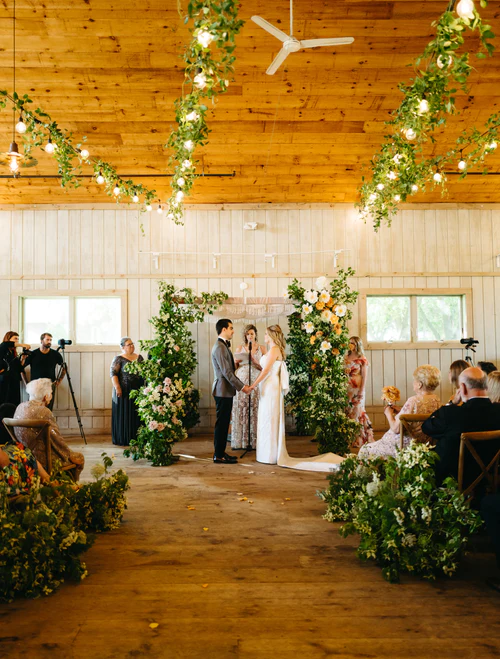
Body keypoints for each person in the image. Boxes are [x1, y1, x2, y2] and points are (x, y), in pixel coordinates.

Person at [249, 325, 343, 472]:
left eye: (266, 334)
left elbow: (267, 370)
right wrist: (254, 362)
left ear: (273, 336)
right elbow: (265, 367)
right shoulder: (271, 351)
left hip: (271, 387)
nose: (264, 337)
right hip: (267, 387)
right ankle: (265, 454)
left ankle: (270, 455)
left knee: (270, 418)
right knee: (266, 418)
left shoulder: (274, 350)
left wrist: (252, 385)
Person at [422, 366, 500, 488]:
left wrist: (451, 404)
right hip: (490, 478)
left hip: (452, 480)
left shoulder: (450, 414)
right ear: (486, 386)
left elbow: (426, 427)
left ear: (462, 388)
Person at [358, 365, 441, 460]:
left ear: (419, 384)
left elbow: (396, 429)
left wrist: (388, 414)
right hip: (424, 444)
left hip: (403, 446)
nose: (413, 383)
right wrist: (402, 410)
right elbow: (419, 416)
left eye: (414, 380)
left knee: (365, 450)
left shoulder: (413, 401)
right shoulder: (437, 400)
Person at [14, 378, 84, 480]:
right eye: (51, 393)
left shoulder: (19, 407)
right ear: (46, 397)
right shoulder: (44, 412)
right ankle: (66, 491)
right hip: (44, 461)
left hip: (24, 457)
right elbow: (57, 440)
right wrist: (69, 454)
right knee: (79, 458)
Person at [211, 319, 251, 464]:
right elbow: (227, 373)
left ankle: (220, 452)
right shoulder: (220, 347)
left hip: (225, 390)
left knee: (224, 422)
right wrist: (243, 387)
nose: (233, 331)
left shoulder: (222, 346)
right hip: (222, 390)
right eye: (231, 328)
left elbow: (227, 369)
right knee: (222, 423)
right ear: (223, 329)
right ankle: (218, 455)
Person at [231, 324, 266, 450]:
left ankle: (256, 441)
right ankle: (241, 441)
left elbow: (265, 368)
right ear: (245, 336)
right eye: (247, 334)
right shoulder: (240, 347)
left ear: (255, 334)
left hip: (255, 380)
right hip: (242, 380)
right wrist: (236, 362)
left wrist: (254, 360)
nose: (250, 336)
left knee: (254, 408)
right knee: (242, 408)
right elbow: (234, 368)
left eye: (252, 333)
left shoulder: (262, 348)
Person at [110, 338, 144, 447]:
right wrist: (117, 387)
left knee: (135, 414)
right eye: (129, 344)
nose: (132, 346)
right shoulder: (119, 359)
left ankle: (137, 437)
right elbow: (113, 374)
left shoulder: (139, 357)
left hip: (137, 389)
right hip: (123, 390)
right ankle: (124, 438)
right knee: (124, 414)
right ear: (123, 347)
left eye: (132, 344)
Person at [24, 333, 65, 411]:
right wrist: (26, 383)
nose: (49, 341)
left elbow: (64, 367)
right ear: (41, 340)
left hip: (49, 385)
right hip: (35, 385)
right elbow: (21, 368)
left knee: (48, 410)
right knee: (33, 409)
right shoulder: (33, 354)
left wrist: (59, 380)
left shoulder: (55, 354)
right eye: (47, 339)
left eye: (50, 340)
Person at [345, 336, 373, 448]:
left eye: (353, 343)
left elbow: (364, 376)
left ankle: (360, 438)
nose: (351, 345)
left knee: (357, 411)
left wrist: (361, 391)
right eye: (350, 343)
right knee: (348, 411)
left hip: (357, 388)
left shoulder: (362, 359)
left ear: (357, 345)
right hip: (347, 388)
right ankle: (349, 437)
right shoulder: (346, 357)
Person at [0, 331, 30, 406]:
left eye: (18, 339)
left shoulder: (13, 353)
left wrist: (23, 359)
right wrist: (23, 344)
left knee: (13, 403)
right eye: (15, 339)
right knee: (4, 402)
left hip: (14, 381)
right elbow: (5, 344)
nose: (17, 341)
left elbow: (19, 368)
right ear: (8, 339)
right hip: (4, 381)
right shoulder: (3, 348)